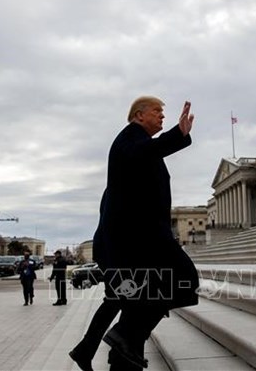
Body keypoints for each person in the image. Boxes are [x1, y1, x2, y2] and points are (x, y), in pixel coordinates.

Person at [94, 97, 199, 371]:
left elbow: (150, 153)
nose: (162, 117)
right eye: (157, 112)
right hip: (141, 238)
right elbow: (146, 152)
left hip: (142, 238)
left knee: (146, 297)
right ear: (139, 116)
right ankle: (123, 337)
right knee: (184, 279)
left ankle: (124, 347)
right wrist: (178, 134)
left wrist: (177, 136)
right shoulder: (129, 140)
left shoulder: (139, 144)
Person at [69, 191, 122, 371]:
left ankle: (86, 349)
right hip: (119, 251)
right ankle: (91, 349)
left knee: (113, 302)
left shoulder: (113, 185)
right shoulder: (122, 183)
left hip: (110, 249)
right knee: (116, 301)